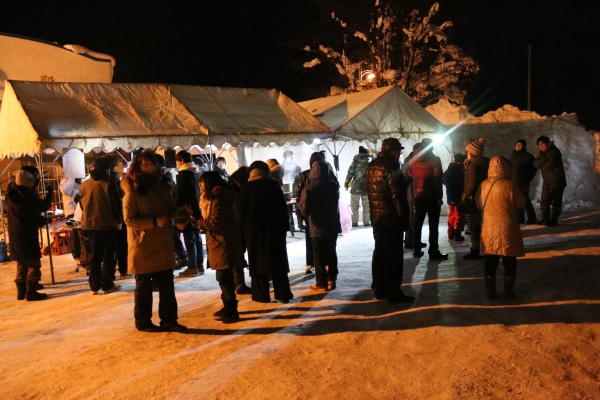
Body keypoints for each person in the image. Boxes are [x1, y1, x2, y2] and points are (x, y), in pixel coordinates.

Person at [121, 151, 187, 332]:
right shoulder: (132, 191)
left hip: (163, 242)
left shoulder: (163, 187)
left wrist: (180, 213)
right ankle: (142, 321)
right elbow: (129, 220)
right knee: (143, 286)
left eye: (152, 164)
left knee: (167, 284)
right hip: (143, 244)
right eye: (146, 164)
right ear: (138, 167)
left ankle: (169, 320)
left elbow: (170, 209)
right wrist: (153, 222)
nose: (150, 168)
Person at [364, 138, 414, 303]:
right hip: (391, 219)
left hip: (377, 218)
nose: (400, 153)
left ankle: (378, 289)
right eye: (398, 151)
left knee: (379, 253)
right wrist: (404, 219)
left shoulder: (371, 167)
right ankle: (393, 292)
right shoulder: (391, 167)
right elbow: (398, 197)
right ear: (392, 151)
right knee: (393, 257)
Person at [240, 161, 294, 303]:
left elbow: (242, 213)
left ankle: (261, 295)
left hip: (254, 232)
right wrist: (285, 228)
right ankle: (283, 294)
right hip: (275, 230)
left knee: (257, 263)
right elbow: (283, 209)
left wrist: (243, 233)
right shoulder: (273, 186)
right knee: (278, 263)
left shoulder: (246, 188)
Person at [196, 171, 245, 322]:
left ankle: (231, 310)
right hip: (219, 242)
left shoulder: (219, 198)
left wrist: (196, 222)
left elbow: (214, 222)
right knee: (223, 277)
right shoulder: (216, 197)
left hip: (224, 242)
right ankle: (228, 306)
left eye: (202, 182)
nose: (200, 185)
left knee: (224, 277)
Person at [476, 156, 526, 300]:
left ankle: (491, 291)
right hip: (507, 227)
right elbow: (521, 203)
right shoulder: (510, 185)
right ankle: (508, 292)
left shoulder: (483, 184)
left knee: (490, 261)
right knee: (509, 260)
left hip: (489, 227)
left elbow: (479, 204)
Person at [6, 167, 53, 301]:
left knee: (21, 262)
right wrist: (49, 196)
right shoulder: (26, 196)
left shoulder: (13, 192)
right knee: (33, 263)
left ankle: (21, 291)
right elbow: (35, 211)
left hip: (15, 233)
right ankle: (31, 292)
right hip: (26, 234)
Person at [78, 156, 123, 295]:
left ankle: (94, 285)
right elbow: (116, 205)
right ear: (107, 169)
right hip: (107, 224)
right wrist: (119, 220)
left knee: (94, 256)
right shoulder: (108, 184)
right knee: (108, 256)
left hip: (90, 225)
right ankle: (107, 285)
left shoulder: (85, 185)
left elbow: (81, 204)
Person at [297, 161, 341, 291]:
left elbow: (305, 209)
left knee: (319, 255)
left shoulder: (309, 188)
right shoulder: (333, 186)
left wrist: (299, 206)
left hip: (317, 227)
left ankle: (321, 283)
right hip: (332, 226)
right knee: (332, 252)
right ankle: (332, 280)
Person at [408, 138, 448, 260]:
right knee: (433, 226)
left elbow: (410, 174)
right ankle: (433, 251)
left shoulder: (413, 159)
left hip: (418, 196)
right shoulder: (435, 160)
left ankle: (416, 250)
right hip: (431, 196)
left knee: (418, 224)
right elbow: (437, 179)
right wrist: (439, 197)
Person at [295, 151, 328, 275]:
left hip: (314, 214)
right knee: (313, 240)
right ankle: (312, 264)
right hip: (314, 214)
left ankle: (320, 265)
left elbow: (299, 196)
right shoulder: (306, 175)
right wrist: (302, 213)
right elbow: (299, 196)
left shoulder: (328, 174)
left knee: (317, 241)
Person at [174, 150, 205, 277]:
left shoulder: (184, 173)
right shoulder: (196, 172)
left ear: (181, 161)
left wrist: (178, 211)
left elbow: (181, 194)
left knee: (189, 238)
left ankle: (192, 267)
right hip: (197, 208)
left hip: (187, 209)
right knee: (196, 237)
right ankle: (199, 265)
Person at [461, 138, 490, 260]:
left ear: (472, 153)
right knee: (482, 226)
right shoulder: (486, 162)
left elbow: (471, 183)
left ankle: (476, 250)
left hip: (473, 200)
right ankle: (484, 248)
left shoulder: (474, 166)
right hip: (485, 198)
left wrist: (465, 196)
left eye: (468, 151)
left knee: (474, 226)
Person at [227, 166, 252, 295]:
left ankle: (238, 283)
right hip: (239, 227)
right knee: (238, 256)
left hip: (234, 227)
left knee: (237, 255)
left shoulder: (229, 189)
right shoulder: (240, 192)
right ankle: (240, 284)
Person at [533, 136, 566, 226]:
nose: (540, 146)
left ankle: (553, 221)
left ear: (547, 143)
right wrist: (540, 163)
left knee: (556, 202)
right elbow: (536, 164)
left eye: (542, 144)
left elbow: (549, 165)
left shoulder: (554, 151)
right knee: (544, 201)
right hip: (547, 182)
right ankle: (545, 220)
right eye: (539, 145)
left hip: (557, 181)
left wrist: (541, 164)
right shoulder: (542, 153)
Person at [402, 142, 426, 250]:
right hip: (411, 191)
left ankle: (413, 241)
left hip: (412, 190)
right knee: (412, 215)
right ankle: (411, 241)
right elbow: (406, 177)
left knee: (413, 215)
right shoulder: (411, 161)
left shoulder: (410, 160)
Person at [509, 139, 538, 224]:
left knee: (525, 200)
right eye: (517, 144)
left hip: (523, 182)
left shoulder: (528, 156)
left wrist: (527, 178)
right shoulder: (512, 156)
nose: (518, 146)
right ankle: (520, 218)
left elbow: (533, 169)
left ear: (524, 146)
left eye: (520, 145)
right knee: (516, 200)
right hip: (513, 181)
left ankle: (531, 217)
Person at [344, 146, 373, 227]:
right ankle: (366, 222)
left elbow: (350, 172)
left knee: (354, 205)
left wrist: (346, 183)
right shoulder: (371, 160)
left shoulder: (356, 160)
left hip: (356, 186)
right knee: (366, 205)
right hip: (367, 186)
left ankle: (354, 222)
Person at [59, 176, 83, 264]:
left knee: (83, 234)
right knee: (75, 234)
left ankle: (84, 253)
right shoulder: (64, 181)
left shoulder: (82, 180)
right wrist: (72, 178)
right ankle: (76, 255)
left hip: (81, 210)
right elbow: (67, 191)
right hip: (71, 211)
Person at [443, 153, 466, 241]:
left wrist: (449, 188)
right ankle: (457, 234)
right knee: (459, 215)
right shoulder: (460, 170)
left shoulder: (449, 169)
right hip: (458, 197)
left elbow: (444, 180)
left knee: (451, 215)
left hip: (450, 196)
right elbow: (462, 184)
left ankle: (451, 234)